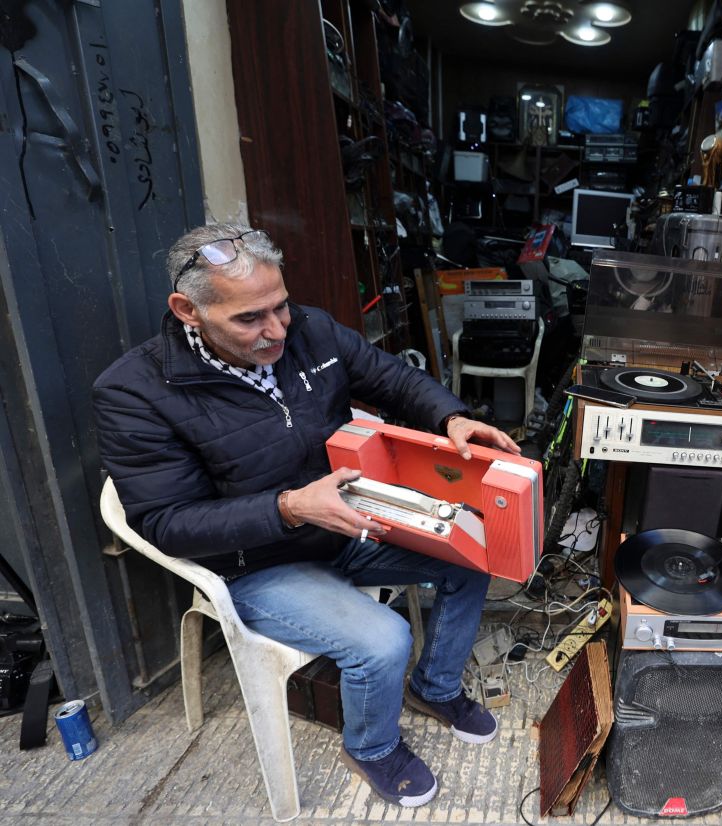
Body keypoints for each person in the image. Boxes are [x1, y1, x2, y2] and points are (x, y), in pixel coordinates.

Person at [92, 223, 520, 808]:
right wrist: (288, 508)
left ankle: (435, 687)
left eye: (280, 307)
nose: (275, 331)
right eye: (249, 319)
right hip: (257, 563)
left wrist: (451, 417)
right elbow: (168, 524)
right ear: (187, 309)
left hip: (343, 520)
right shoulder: (134, 392)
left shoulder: (311, 331)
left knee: (473, 553)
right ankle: (371, 747)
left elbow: (391, 378)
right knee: (384, 639)